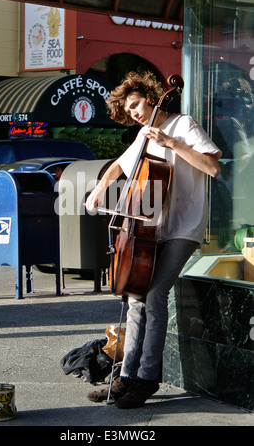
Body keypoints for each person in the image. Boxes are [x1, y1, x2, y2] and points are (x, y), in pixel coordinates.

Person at [85, 71, 222, 409]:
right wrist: (99, 190)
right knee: (135, 299)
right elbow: (119, 165)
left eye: (135, 105)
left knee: (156, 295)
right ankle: (125, 378)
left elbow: (213, 167)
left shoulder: (183, 124)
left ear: (150, 97)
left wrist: (171, 143)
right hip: (148, 228)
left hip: (183, 227)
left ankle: (147, 380)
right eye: (128, 111)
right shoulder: (143, 134)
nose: (133, 113)